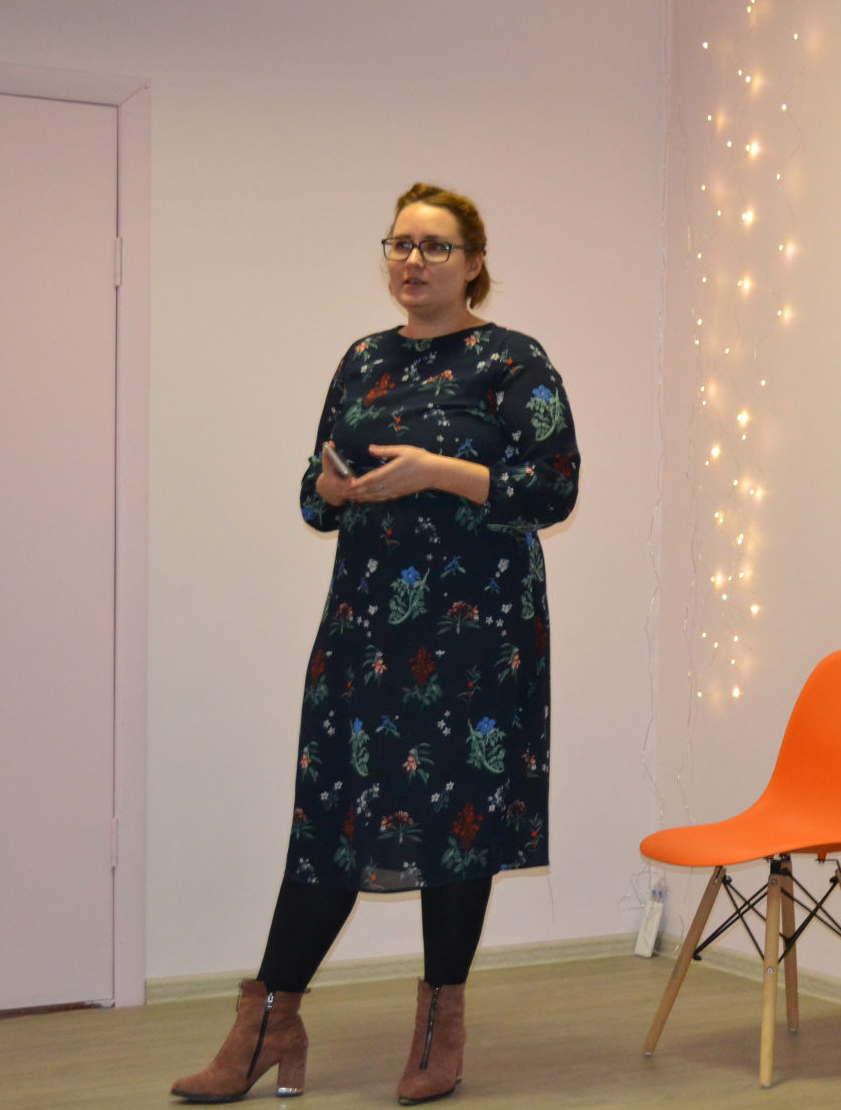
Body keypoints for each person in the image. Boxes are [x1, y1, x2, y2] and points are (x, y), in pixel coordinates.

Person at [172, 184, 579, 1105]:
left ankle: (440, 1028)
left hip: (477, 634)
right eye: (400, 244)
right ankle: (268, 1020)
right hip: (366, 629)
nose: (412, 261)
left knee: (457, 822)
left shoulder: (514, 361)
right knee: (333, 820)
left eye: (435, 247)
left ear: (474, 263)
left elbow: (554, 488)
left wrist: (440, 471)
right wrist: (331, 491)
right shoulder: (362, 359)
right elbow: (314, 495)